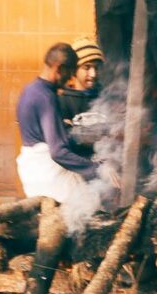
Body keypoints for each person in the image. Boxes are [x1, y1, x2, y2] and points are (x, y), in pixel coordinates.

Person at [14, 41, 101, 225]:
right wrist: (96, 170)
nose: (69, 79)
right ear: (59, 68)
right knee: (90, 212)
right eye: (69, 73)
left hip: (32, 172)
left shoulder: (29, 90)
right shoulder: (47, 98)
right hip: (48, 176)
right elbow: (58, 152)